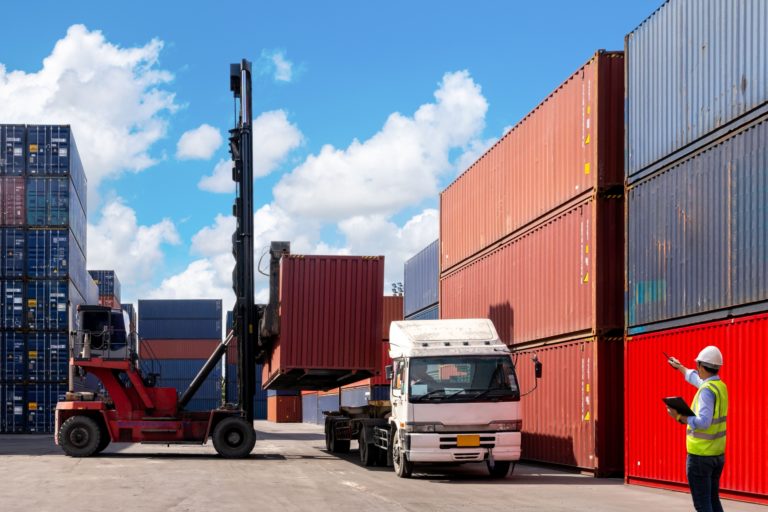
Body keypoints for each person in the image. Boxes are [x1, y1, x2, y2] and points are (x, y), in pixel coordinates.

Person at [666, 346, 728, 512]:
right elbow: (696, 379)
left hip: (701, 456)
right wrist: (679, 367)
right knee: (713, 500)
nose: (697, 369)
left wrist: (679, 417)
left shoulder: (707, 391)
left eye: (698, 366)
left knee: (703, 505)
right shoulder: (718, 386)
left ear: (701, 366)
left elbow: (703, 422)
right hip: (716, 455)